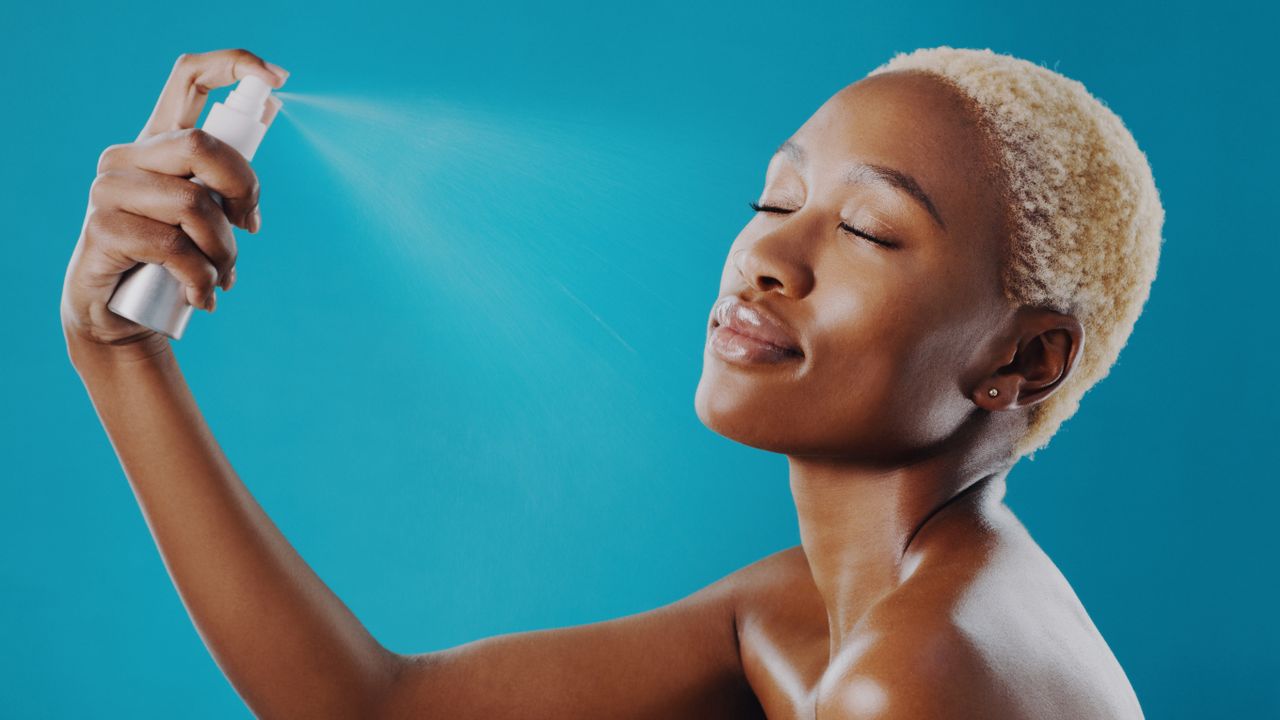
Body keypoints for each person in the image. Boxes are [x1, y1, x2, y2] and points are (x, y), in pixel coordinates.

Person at [62, 45, 1162, 719]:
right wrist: (121, 356)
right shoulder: (816, 610)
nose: (767, 257)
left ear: (1022, 360)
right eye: (775, 201)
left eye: (870, 229)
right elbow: (378, 709)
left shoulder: (914, 677)